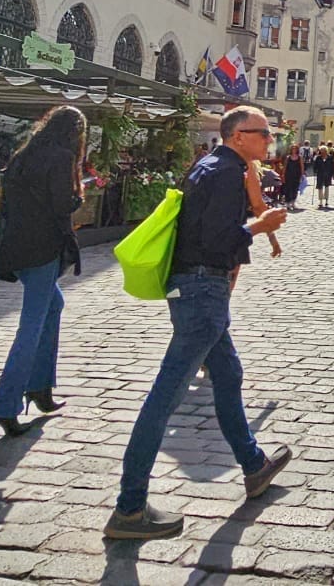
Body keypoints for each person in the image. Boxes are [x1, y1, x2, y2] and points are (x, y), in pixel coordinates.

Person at [107, 107, 290, 540]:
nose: (270, 141)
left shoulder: (208, 165)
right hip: (204, 289)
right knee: (165, 395)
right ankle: (129, 508)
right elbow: (217, 238)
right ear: (239, 136)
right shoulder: (227, 172)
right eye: (264, 134)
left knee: (228, 375)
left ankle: (253, 465)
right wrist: (260, 225)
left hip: (194, 287)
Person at [0, 106, 86, 438]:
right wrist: (78, 199)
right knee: (30, 326)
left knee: (54, 307)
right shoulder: (60, 158)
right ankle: (5, 405)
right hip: (43, 245)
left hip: (18, 244)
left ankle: (40, 386)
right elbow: (61, 206)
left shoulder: (24, 154)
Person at [279, 147, 303, 211]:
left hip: (296, 176)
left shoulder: (299, 157)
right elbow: (285, 166)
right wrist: (283, 175)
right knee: (288, 189)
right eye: (293, 149)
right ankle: (287, 203)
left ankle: (293, 203)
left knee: (295, 189)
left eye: (295, 149)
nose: (294, 150)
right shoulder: (288, 157)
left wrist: (302, 175)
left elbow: (302, 166)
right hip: (288, 175)